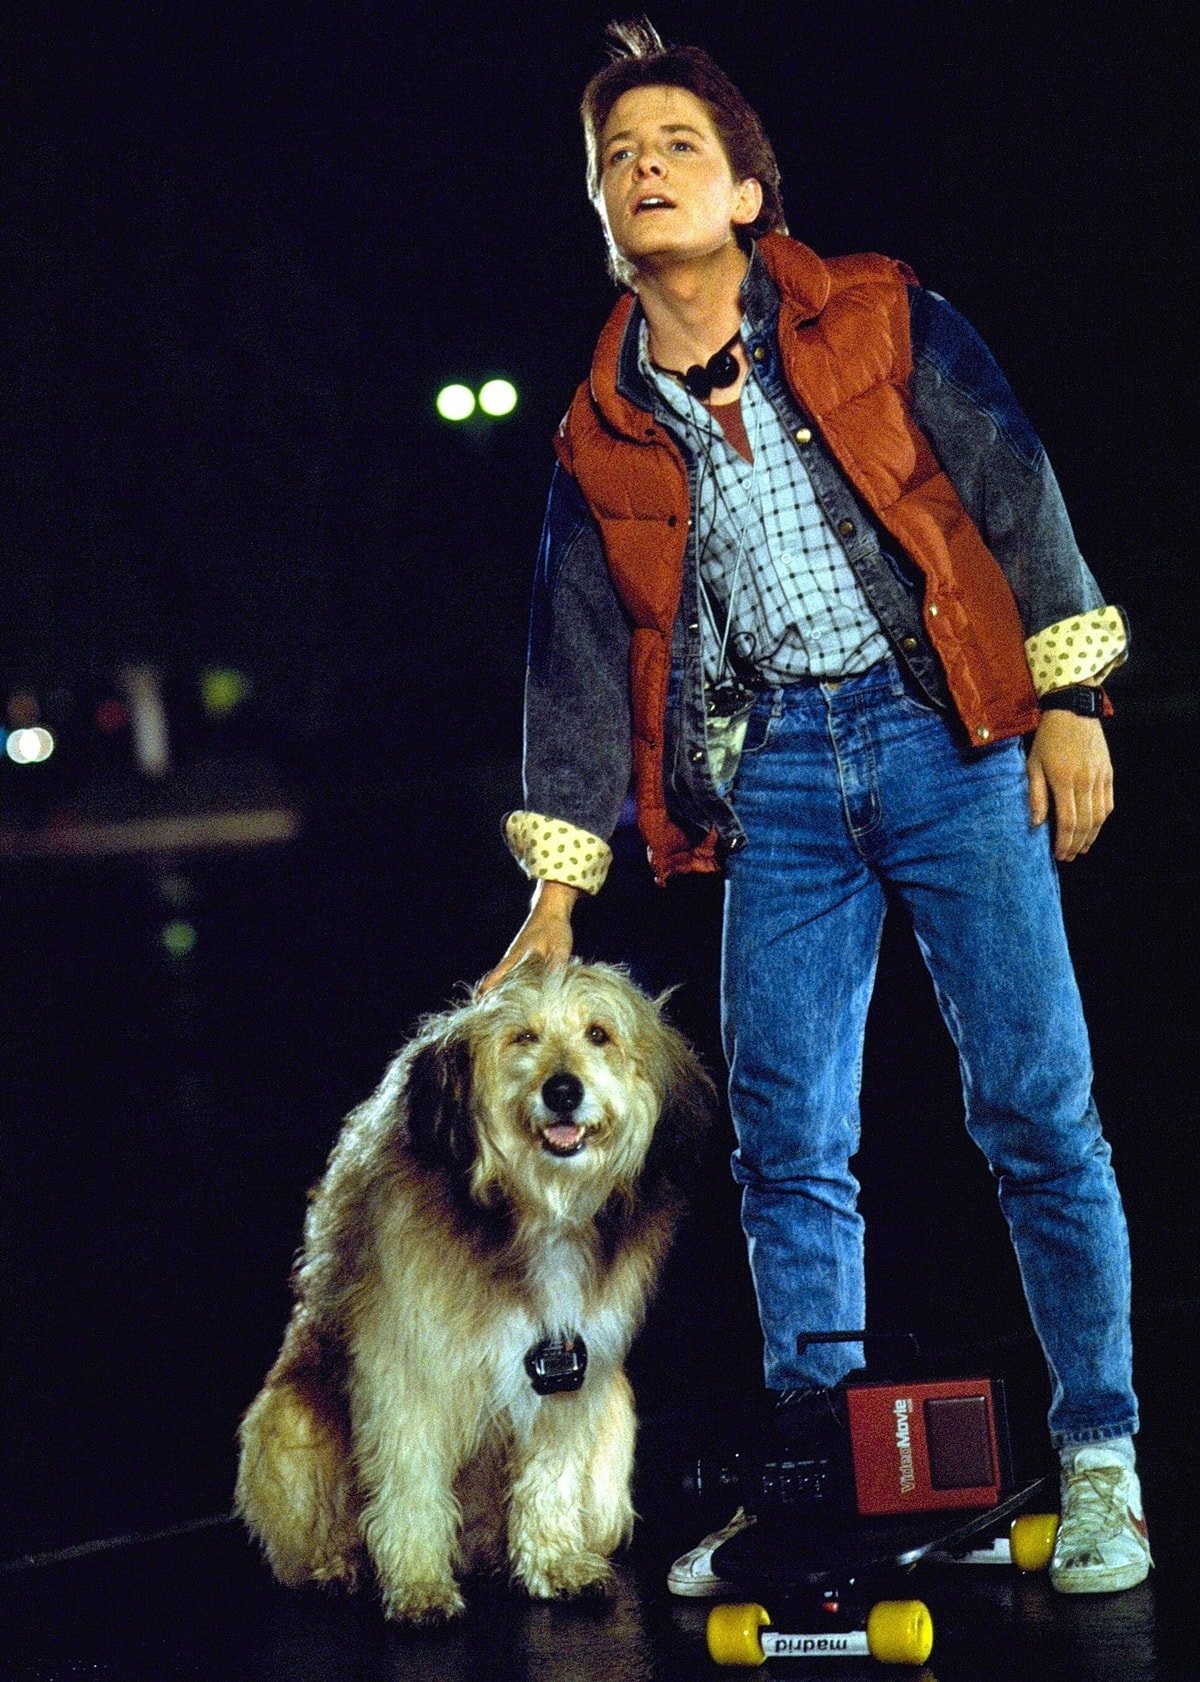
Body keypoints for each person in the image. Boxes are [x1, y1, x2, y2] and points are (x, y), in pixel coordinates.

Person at [483, 19, 1149, 1596]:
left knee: (1036, 1110)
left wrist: (1068, 701)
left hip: (947, 738)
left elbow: (1008, 481)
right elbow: (576, 651)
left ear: (746, 194)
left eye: (679, 150)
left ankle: (1106, 1454)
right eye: (619, 159)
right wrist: (559, 890)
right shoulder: (600, 425)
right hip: (775, 774)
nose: (648, 170)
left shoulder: (877, 315)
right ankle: (819, 1483)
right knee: (786, 1141)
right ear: (602, 216)